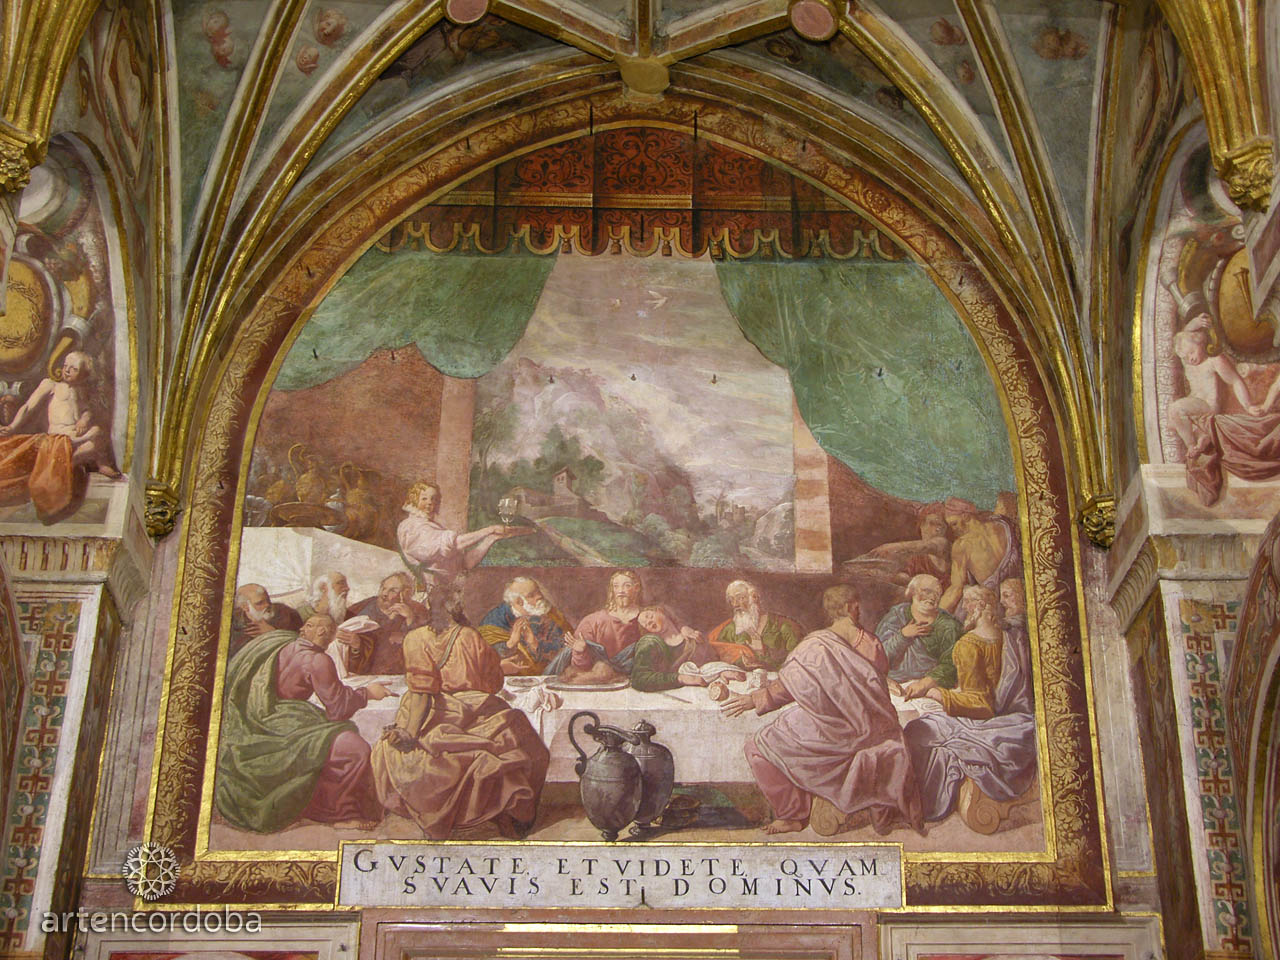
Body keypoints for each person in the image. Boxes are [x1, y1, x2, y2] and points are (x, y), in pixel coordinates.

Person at [722, 584, 923, 836]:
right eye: (856, 606)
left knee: (757, 745)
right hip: (872, 727)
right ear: (850, 607)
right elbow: (877, 683)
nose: (858, 610)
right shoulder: (871, 643)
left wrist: (755, 699)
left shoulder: (814, 644)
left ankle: (792, 815)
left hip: (830, 728)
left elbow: (787, 687)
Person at [371, 595, 550, 839]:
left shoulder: (414, 638)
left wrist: (410, 732)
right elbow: (493, 683)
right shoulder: (470, 636)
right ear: (456, 610)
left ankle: (444, 817)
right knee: (521, 739)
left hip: (426, 712)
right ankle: (511, 815)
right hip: (473, 707)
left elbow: (421, 690)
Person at [214, 615, 391, 832]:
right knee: (356, 749)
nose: (327, 637)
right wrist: (368, 693)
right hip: (283, 721)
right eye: (329, 633)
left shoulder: (279, 643)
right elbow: (338, 708)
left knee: (329, 735)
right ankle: (339, 814)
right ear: (323, 633)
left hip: (260, 716)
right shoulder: (318, 660)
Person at [903, 583, 1037, 823]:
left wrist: (940, 695)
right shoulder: (1008, 637)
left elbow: (980, 702)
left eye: (968, 602)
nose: (964, 608)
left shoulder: (969, 644)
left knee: (917, 730)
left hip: (982, 717)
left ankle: (916, 806)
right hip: (1006, 712)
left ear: (981, 606)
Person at [546, 570, 691, 676]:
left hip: (641, 682)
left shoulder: (648, 619)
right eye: (616, 586)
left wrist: (683, 628)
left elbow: (669, 636)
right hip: (601, 682)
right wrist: (580, 652)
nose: (621, 591)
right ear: (612, 590)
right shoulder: (592, 621)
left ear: (636, 588)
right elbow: (580, 669)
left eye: (626, 585)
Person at [0, 349, 120, 477]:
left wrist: (84, 419)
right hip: (58, 437)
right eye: (65, 366)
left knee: (96, 437)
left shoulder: (82, 391)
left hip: (75, 436)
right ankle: (68, 464)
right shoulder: (51, 385)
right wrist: (13, 426)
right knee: (95, 435)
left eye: (74, 369)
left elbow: (86, 410)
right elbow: (28, 407)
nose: (67, 370)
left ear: (84, 375)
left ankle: (94, 464)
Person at [396, 481, 528, 589]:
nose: (430, 502)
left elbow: (465, 564)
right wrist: (489, 529)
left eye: (433, 498)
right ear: (413, 500)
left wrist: (492, 538)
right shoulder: (411, 527)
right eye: (424, 498)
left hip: (446, 590)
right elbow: (454, 544)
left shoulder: (431, 527)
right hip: (428, 591)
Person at [1169, 315, 1256, 450]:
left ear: (1200, 342)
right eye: (1186, 357)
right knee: (1172, 422)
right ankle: (1201, 438)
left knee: (1175, 409)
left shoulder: (1214, 361)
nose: (1190, 359)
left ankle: (1191, 445)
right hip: (1195, 402)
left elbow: (1235, 381)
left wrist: (1248, 405)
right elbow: (1184, 334)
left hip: (1209, 405)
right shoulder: (1189, 362)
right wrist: (1195, 322)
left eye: (1192, 352)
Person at [875, 573, 962, 696]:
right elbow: (878, 655)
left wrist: (924, 684)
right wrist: (903, 636)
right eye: (927, 591)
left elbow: (951, 665)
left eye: (937, 593)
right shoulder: (897, 615)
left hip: (929, 688)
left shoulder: (949, 625)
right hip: (893, 685)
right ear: (912, 592)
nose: (932, 597)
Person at [939, 497, 1021, 613]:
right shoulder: (1003, 524)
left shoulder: (962, 545)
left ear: (966, 516)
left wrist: (937, 616)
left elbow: (955, 589)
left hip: (990, 607)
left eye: (954, 524)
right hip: (1016, 599)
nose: (953, 530)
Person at [478, 576, 574, 675]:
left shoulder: (549, 612)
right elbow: (484, 660)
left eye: (538, 591)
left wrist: (534, 644)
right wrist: (511, 643)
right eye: (531, 595)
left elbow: (567, 646)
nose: (539, 596)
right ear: (519, 601)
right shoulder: (493, 622)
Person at [344, 572, 429, 674]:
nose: (384, 594)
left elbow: (421, 646)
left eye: (392, 590)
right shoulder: (363, 608)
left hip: (401, 672)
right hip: (366, 671)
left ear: (405, 594)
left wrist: (410, 618)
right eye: (383, 588)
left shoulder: (417, 610)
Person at [707, 580, 801, 670]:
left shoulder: (785, 626)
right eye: (731, 600)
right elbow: (716, 657)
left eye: (740, 598)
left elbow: (795, 665)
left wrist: (761, 653)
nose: (735, 604)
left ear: (754, 597)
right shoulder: (730, 629)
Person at [630, 607, 716, 691]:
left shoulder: (693, 639)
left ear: (660, 611)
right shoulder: (651, 644)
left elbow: (712, 663)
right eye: (645, 624)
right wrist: (679, 678)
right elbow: (638, 678)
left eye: (650, 616)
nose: (649, 622)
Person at [230, 583, 303, 656]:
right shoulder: (233, 621)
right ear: (244, 607)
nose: (267, 605)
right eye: (260, 603)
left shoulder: (286, 613)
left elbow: (300, 642)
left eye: (268, 600)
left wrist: (273, 633)